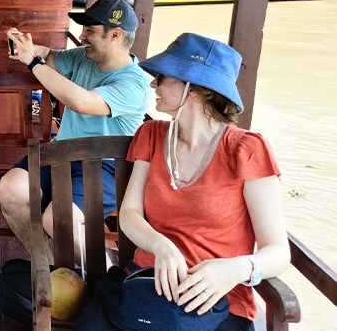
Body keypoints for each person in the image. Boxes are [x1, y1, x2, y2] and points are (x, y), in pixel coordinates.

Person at [78, 33, 290, 330]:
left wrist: (235, 269)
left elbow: (279, 251)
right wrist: (160, 246)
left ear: (193, 89)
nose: (154, 84)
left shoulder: (247, 149)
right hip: (148, 285)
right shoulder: (150, 136)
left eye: (163, 77)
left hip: (217, 297)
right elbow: (130, 214)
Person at [0, 0, 151, 257]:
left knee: (57, 220)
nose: (81, 36)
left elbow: (82, 101)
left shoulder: (135, 84)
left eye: (90, 31)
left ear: (115, 34)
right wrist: (27, 47)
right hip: (63, 151)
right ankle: (44, 267)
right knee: (11, 190)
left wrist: (32, 63)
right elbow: (50, 56)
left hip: (105, 163)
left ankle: (107, 269)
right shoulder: (84, 57)